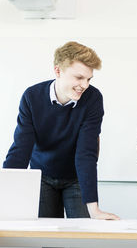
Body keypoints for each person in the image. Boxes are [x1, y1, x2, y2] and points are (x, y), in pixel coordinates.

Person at [3, 41, 119, 220]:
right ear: (58, 71)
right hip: (42, 175)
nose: (85, 85)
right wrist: (5, 196)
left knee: (82, 235)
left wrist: (95, 210)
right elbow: (21, 149)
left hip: (76, 177)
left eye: (88, 79)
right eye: (79, 78)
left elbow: (86, 153)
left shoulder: (92, 99)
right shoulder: (32, 97)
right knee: (45, 235)